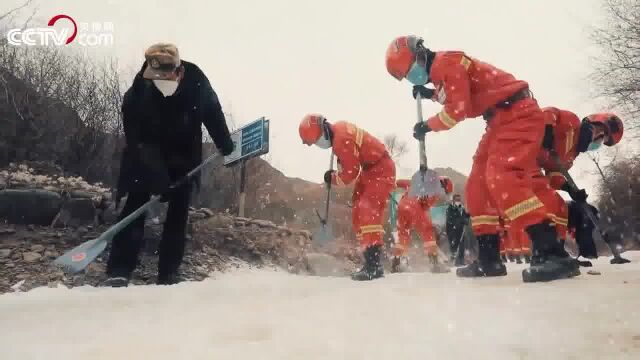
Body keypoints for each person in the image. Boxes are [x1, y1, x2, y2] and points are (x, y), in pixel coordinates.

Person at [384, 35, 578, 282]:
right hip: (498, 121)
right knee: (477, 185)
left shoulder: (447, 63)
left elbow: (457, 110)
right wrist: (430, 93)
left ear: (420, 55)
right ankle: (489, 258)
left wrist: (427, 126)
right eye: (408, 77)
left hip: (518, 114)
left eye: (411, 70)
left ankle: (551, 251)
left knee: (502, 177)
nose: (412, 77)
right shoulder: (441, 72)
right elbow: (456, 94)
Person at [104, 43, 234, 287]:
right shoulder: (138, 93)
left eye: (167, 79)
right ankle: (120, 268)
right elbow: (138, 141)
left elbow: (213, 111)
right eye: (156, 79)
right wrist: (160, 180)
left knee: (179, 210)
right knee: (136, 204)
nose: (161, 84)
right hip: (146, 153)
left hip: (184, 151)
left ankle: (168, 273)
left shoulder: (196, 81)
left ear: (179, 71)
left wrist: (224, 142)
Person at [299, 114, 396, 281]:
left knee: (367, 211)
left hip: (381, 169)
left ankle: (374, 265)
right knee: (358, 213)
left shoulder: (341, 140)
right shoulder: (339, 129)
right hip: (369, 171)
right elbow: (351, 163)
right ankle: (369, 261)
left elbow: (349, 174)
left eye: (316, 141)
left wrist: (333, 178)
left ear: (323, 132)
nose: (318, 145)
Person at [391, 177, 452, 273]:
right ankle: (435, 264)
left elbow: (399, 182)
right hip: (414, 206)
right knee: (427, 233)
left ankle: (396, 263)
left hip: (402, 206)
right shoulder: (435, 190)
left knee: (402, 235)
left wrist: (390, 184)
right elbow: (425, 203)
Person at [446, 193, 469, 266]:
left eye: (459, 199)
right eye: (457, 199)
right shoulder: (450, 208)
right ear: (453, 200)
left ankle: (461, 260)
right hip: (452, 229)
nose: (458, 201)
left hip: (461, 229)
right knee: (454, 244)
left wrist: (465, 220)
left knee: (462, 244)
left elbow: (466, 217)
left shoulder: (463, 208)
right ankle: (452, 260)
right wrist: (458, 222)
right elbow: (449, 219)